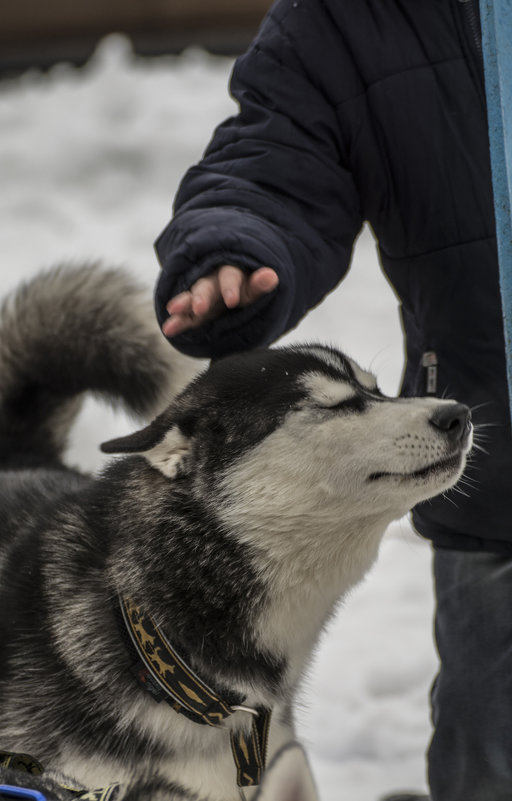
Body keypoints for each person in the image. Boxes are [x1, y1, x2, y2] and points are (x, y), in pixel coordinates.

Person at [153, 1, 512, 799]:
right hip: (498, 490)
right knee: (490, 756)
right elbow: (274, 156)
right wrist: (235, 243)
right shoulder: (350, 17)